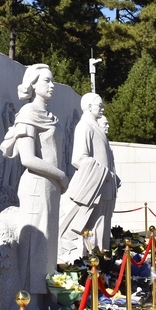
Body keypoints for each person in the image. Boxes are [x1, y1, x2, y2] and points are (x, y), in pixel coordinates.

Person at [0, 64, 69, 296]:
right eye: (46, 81)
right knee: (34, 245)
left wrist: (58, 179)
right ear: (33, 84)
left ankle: (47, 298)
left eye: (52, 81)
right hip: (37, 185)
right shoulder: (27, 114)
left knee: (48, 246)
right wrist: (60, 174)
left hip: (51, 187)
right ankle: (29, 301)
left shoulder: (51, 116)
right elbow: (28, 159)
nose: (51, 85)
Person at [57, 92, 118, 262]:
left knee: (102, 232)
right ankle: (92, 268)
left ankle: (102, 270)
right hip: (95, 189)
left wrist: (113, 179)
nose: (103, 107)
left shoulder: (96, 128)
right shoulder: (84, 126)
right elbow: (79, 159)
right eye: (99, 104)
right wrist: (104, 173)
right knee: (92, 232)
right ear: (89, 107)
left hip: (105, 189)